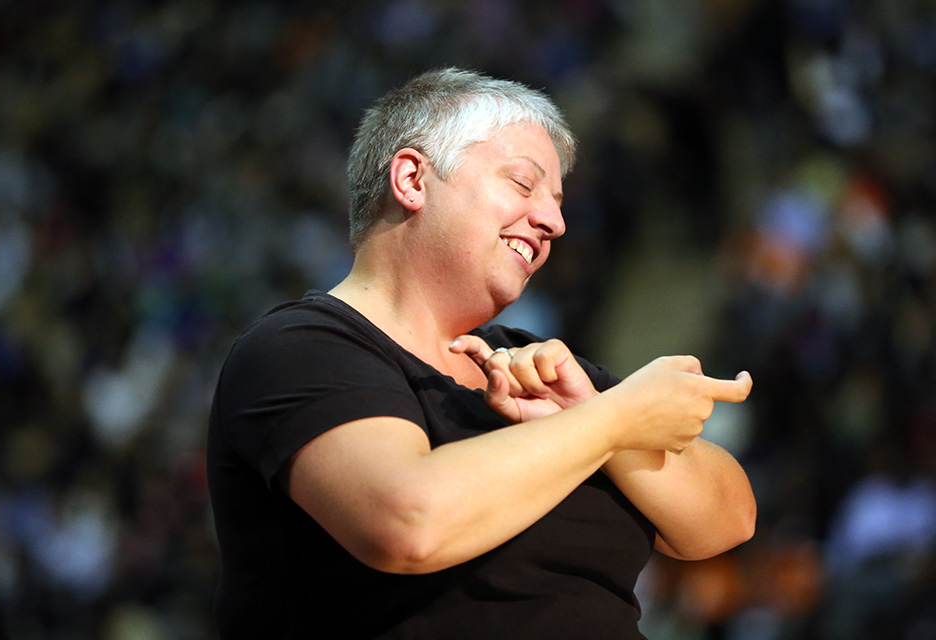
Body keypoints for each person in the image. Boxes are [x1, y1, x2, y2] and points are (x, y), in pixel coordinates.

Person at [206, 67, 756, 639]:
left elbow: (726, 521)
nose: (555, 221)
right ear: (413, 179)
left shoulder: (545, 370)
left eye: (557, 200)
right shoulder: (298, 349)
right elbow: (408, 522)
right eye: (523, 185)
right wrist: (612, 421)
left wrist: (592, 411)